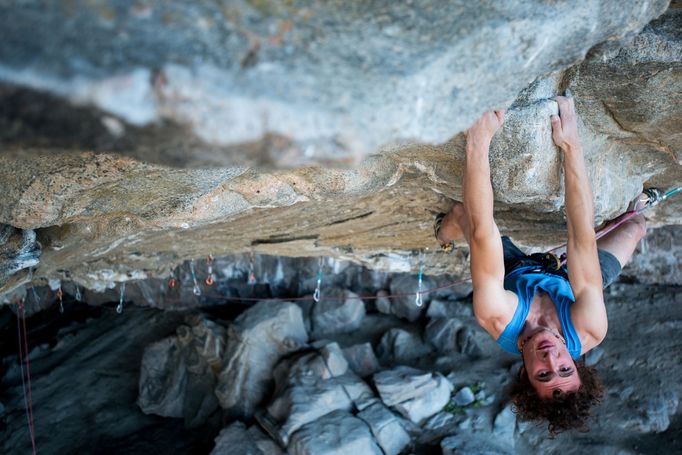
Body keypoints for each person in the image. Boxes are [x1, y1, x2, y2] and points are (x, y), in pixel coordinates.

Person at [435, 96, 647, 434]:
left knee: (464, 215)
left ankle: (441, 235)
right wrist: (571, 146)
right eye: (565, 369)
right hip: (567, 278)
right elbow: (581, 239)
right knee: (635, 227)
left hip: (513, 271)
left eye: (543, 374)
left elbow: (483, 234)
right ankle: (636, 213)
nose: (551, 360)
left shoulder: (497, 315)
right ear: (578, 363)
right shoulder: (590, 328)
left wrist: (478, 139)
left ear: (524, 374)